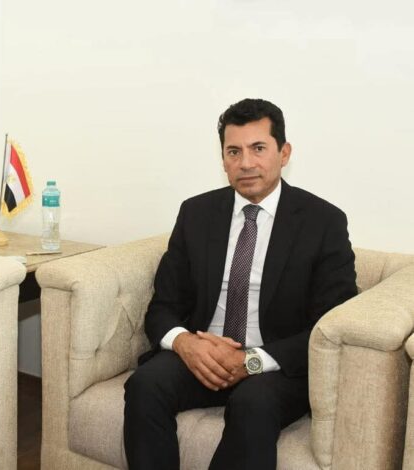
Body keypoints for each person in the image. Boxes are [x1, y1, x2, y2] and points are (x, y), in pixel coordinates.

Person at [123, 98, 357, 469]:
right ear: (223, 160)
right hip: (206, 355)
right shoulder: (196, 213)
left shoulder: (323, 222)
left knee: (253, 403)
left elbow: (328, 326)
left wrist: (250, 360)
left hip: (275, 365)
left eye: (258, 148)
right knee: (144, 384)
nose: (245, 163)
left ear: (284, 153)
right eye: (234, 151)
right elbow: (163, 305)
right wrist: (185, 344)